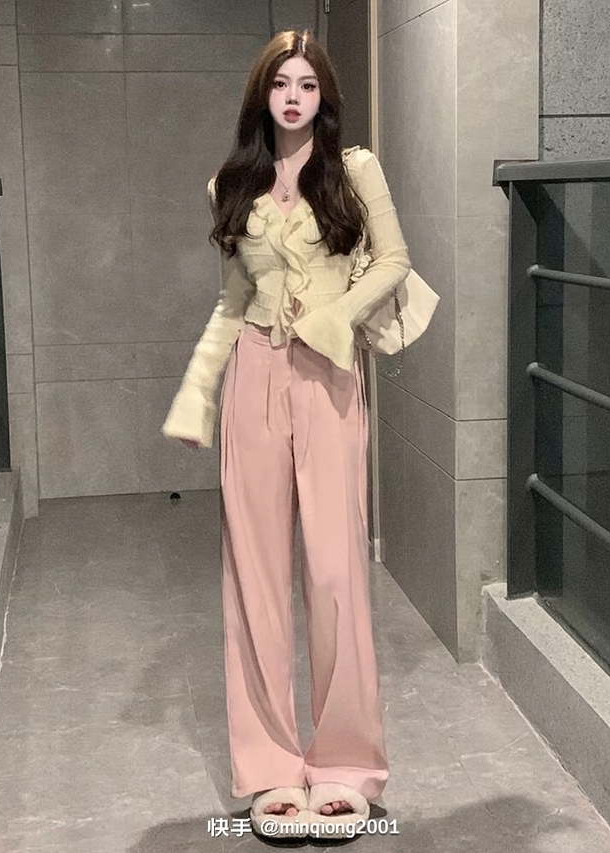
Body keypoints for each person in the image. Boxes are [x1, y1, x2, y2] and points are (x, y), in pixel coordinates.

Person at [162, 29, 410, 839]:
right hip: (254, 380)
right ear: (261, 95)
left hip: (330, 379)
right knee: (255, 579)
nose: (294, 96)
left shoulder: (355, 170)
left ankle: (345, 764)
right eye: (280, 83)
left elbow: (394, 261)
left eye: (307, 83)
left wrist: (336, 319)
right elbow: (231, 301)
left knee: (336, 575)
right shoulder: (229, 184)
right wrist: (198, 393)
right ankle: (270, 766)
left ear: (324, 96)